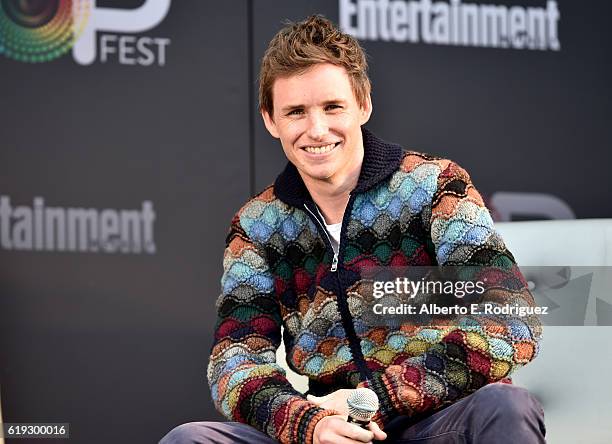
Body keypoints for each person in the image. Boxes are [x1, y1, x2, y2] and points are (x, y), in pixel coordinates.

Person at [160, 15, 545, 444]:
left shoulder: (436, 187)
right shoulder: (256, 225)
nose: (317, 129)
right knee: (190, 439)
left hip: (432, 420)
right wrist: (309, 423)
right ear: (271, 120)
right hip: (326, 430)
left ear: (363, 104)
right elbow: (235, 362)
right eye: (295, 112)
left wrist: (379, 397)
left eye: (332, 107)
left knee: (506, 405)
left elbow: (511, 320)